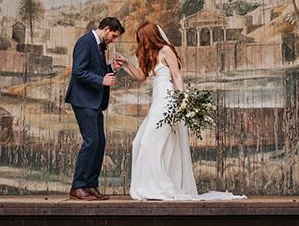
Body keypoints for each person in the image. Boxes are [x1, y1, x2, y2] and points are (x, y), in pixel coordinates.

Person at [117, 21, 245, 201]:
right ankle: (153, 185)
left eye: (143, 38)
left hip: (168, 100)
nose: (141, 42)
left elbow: (176, 76)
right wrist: (126, 64)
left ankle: (158, 187)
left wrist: (183, 100)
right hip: (157, 101)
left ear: (151, 36)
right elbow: (141, 77)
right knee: (139, 142)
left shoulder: (166, 51)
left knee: (149, 141)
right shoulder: (150, 55)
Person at [65, 17, 125, 201]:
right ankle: (78, 186)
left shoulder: (98, 44)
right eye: (113, 36)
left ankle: (91, 185)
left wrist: (111, 68)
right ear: (106, 29)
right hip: (83, 101)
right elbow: (78, 71)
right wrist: (101, 80)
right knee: (91, 142)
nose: (113, 40)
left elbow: (95, 70)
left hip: (94, 102)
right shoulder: (85, 42)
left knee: (99, 144)